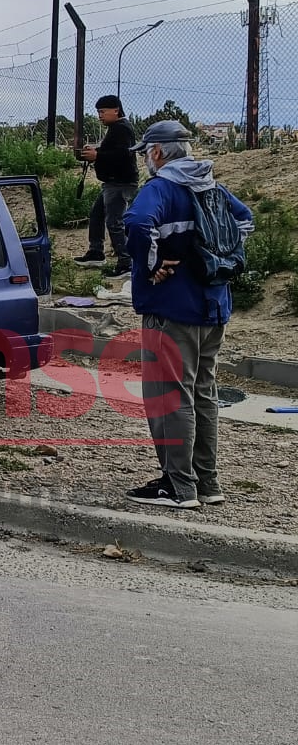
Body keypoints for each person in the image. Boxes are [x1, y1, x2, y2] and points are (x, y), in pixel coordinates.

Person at [122, 120, 253, 510]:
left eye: (146, 153)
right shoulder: (212, 187)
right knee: (203, 394)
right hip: (214, 307)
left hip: (171, 309)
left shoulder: (160, 188)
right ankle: (207, 483)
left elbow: (137, 224)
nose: (146, 161)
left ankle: (179, 487)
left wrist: (153, 265)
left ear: (157, 152)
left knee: (170, 395)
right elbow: (245, 220)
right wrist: (218, 261)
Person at [74, 94, 140, 279]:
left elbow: (123, 154)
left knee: (114, 222)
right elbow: (115, 151)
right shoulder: (116, 128)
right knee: (97, 215)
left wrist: (97, 155)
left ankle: (126, 263)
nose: (100, 116)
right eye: (98, 112)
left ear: (116, 110)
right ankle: (96, 252)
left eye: (102, 112)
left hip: (120, 183)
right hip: (113, 183)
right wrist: (97, 151)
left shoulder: (121, 128)